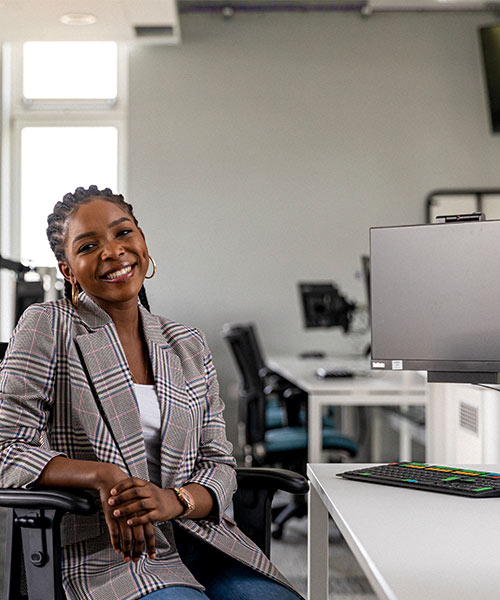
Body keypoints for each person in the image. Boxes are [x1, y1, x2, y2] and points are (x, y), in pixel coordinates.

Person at [0, 186, 302, 600]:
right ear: (68, 269)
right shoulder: (48, 326)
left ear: (143, 242)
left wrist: (173, 501)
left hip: (201, 540)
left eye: (123, 233)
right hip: (105, 554)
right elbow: (6, 448)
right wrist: (103, 475)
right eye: (88, 245)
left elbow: (219, 461)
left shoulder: (187, 343)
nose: (112, 251)